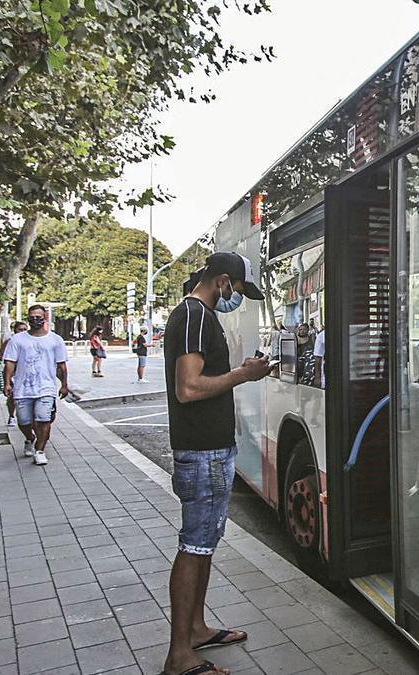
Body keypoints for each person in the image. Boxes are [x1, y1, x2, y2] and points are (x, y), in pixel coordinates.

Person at [161, 252, 272, 675]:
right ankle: (179, 656)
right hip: (202, 453)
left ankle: (197, 629)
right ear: (222, 281)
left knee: (204, 543)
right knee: (194, 546)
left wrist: (241, 370)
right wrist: (243, 376)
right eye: (237, 291)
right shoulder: (193, 315)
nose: (236, 300)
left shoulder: (200, 316)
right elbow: (188, 388)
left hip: (212, 449)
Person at [3, 306, 68, 466]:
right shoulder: (17, 340)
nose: (35, 319)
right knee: (23, 421)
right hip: (23, 388)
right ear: (28, 318)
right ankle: (30, 438)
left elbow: (61, 365)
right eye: (32, 316)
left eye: (39, 316)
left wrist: (64, 385)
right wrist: (7, 382)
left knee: (44, 419)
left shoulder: (55, 340)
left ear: (44, 318)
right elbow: (10, 362)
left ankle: (39, 451)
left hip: (46, 387)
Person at [0, 321, 29, 426]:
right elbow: (0, 355)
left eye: (25, 329)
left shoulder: (29, 341)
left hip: (26, 372)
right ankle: (11, 416)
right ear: (15, 330)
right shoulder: (10, 341)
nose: (23, 332)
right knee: (12, 396)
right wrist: (11, 359)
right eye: (20, 329)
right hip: (12, 373)